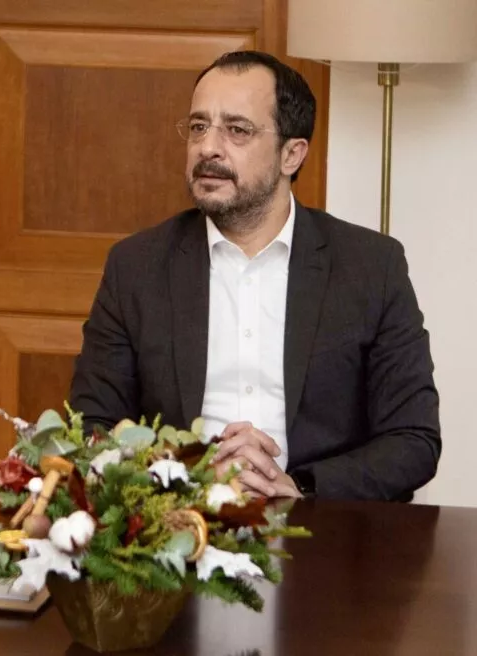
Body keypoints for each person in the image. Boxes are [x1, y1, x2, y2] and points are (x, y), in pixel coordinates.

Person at [69, 51, 440, 502]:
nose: (207, 147)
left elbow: (413, 440)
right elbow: (92, 426)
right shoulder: (136, 266)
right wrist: (183, 473)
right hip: (178, 521)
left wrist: (299, 486)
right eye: (199, 126)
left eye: (237, 130)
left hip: (320, 521)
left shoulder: (371, 267)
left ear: (291, 154)